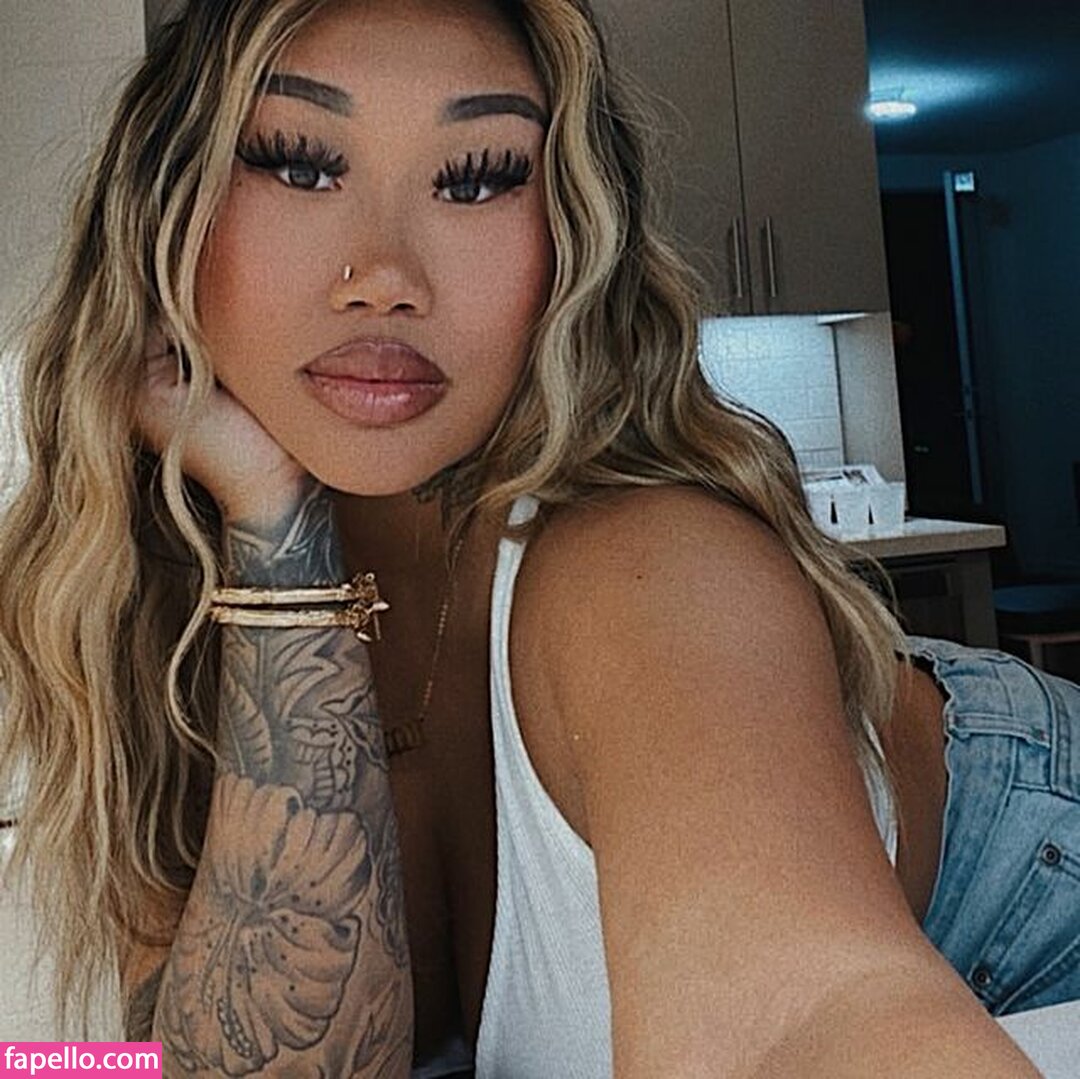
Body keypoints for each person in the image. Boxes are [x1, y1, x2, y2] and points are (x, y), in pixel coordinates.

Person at [0, 0, 1074, 1074]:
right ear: (167, 218)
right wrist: (275, 533)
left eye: (477, 180)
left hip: (1030, 892)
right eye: (299, 163)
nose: (385, 276)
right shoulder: (154, 617)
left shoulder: (646, 571)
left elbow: (805, 1017)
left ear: (568, 243)